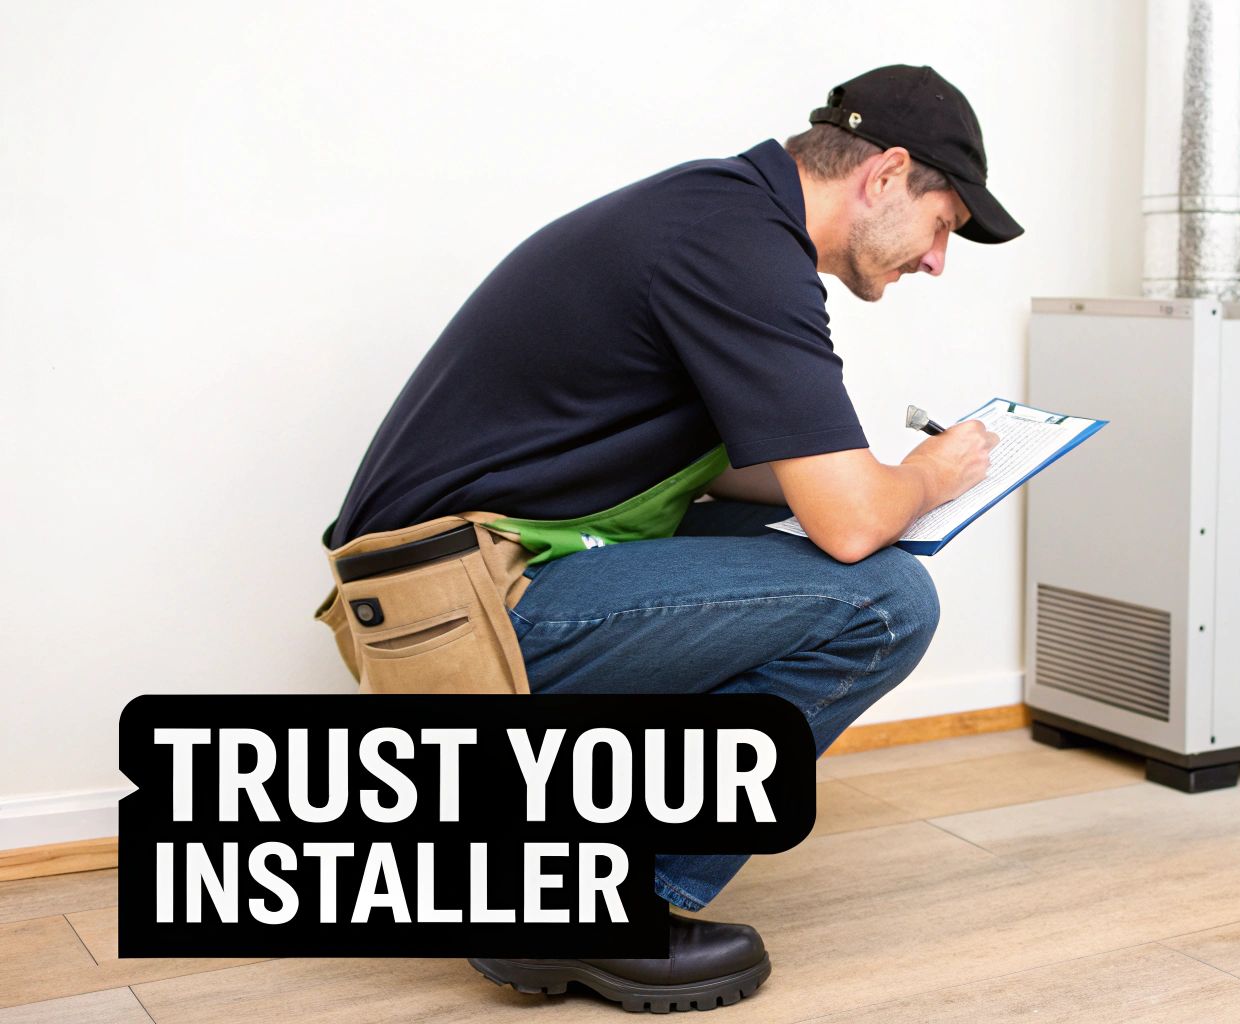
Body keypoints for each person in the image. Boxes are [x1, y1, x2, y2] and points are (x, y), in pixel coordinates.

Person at [323, 65, 1022, 1012]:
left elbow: (743, 475)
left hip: (459, 585)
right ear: (886, 174)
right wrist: (921, 480)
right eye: (944, 226)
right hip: (454, 621)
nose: (939, 261)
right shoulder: (738, 248)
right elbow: (856, 526)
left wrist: (859, 474)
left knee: (788, 524)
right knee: (888, 600)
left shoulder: (719, 217)